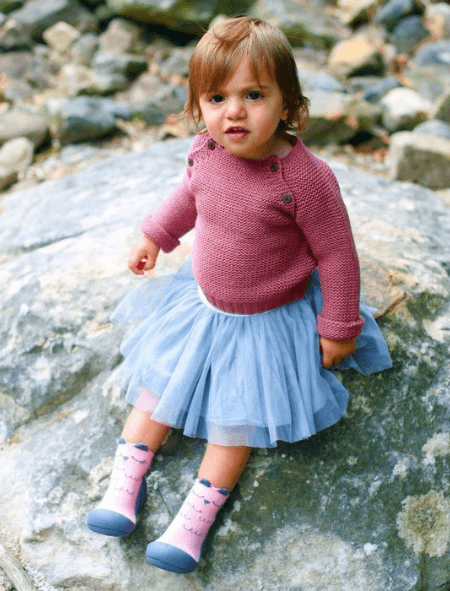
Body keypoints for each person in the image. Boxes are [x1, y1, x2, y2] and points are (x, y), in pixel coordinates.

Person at [86, 16, 392, 574]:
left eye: (254, 95)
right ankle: (122, 487)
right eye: (216, 96)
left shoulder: (304, 178)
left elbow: (337, 254)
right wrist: (156, 235)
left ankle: (192, 522)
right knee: (156, 387)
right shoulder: (207, 152)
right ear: (197, 104)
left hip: (266, 323)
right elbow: (188, 197)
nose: (234, 111)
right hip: (200, 305)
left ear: (288, 103)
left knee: (237, 419)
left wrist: (339, 323)